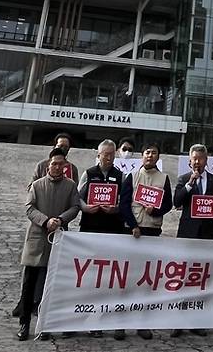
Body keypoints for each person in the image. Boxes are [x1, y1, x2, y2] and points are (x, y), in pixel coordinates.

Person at [16, 149, 80, 341]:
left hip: (58, 240)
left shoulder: (70, 186)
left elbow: (75, 207)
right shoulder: (36, 185)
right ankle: (24, 323)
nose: (57, 167)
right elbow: (29, 208)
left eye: (61, 164)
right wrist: (45, 221)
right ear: (48, 165)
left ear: (65, 165)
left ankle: (45, 325)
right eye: (54, 163)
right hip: (36, 240)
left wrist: (60, 219)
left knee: (49, 287)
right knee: (29, 285)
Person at [120, 143, 173, 342]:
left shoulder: (164, 178)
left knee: (145, 279)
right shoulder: (131, 176)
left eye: (154, 153)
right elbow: (124, 204)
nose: (150, 155)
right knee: (127, 278)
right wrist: (133, 224)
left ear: (158, 157)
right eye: (147, 152)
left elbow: (168, 203)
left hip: (152, 230)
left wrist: (156, 210)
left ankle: (142, 323)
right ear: (142, 156)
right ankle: (121, 323)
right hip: (132, 231)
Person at [78, 140, 125, 341]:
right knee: (90, 276)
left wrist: (116, 208)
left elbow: (125, 201)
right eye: (104, 154)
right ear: (98, 154)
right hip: (91, 228)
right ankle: (88, 319)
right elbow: (77, 198)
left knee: (108, 277)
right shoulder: (88, 173)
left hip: (112, 231)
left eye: (111, 154)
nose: (108, 157)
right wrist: (85, 207)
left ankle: (105, 318)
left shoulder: (120, 176)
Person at [173, 143, 213, 239]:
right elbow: (177, 202)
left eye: (201, 158)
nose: (197, 162)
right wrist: (189, 184)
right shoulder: (184, 179)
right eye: (194, 159)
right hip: (188, 229)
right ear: (190, 161)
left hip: (208, 230)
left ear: (206, 160)